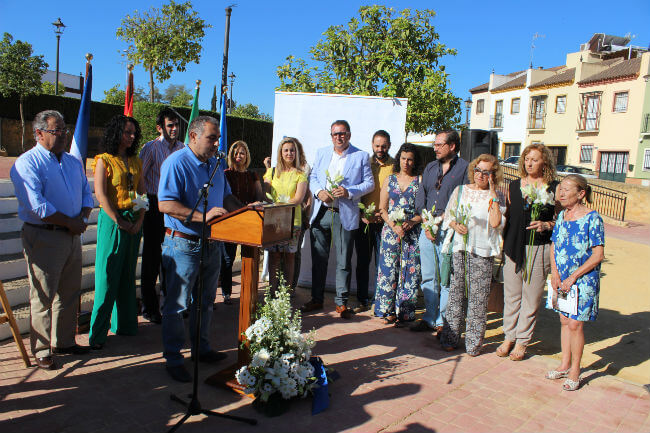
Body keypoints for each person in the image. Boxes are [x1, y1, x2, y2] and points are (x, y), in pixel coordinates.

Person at [158, 116, 241, 382]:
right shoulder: (176, 163)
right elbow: (165, 204)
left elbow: (226, 196)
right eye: (212, 138)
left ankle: (201, 349)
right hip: (183, 244)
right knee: (178, 304)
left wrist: (246, 209)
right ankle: (173, 358)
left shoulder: (216, 164)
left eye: (217, 138)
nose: (218, 143)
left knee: (205, 302)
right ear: (193, 137)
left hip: (212, 244)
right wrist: (201, 217)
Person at [10, 110, 93, 369]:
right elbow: (37, 206)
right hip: (45, 236)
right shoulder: (27, 163)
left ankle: (64, 340)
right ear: (39, 133)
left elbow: (85, 194)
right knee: (43, 294)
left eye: (64, 130)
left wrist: (82, 216)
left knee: (69, 292)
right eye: (58, 131)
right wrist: (71, 222)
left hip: (71, 235)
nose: (63, 135)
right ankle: (42, 349)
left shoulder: (71, 162)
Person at [301, 120, 374, 319]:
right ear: (331, 136)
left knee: (344, 261)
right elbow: (313, 176)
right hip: (322, 212)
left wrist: (349, 192)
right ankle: (316, 298)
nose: (338, 137)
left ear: (349, 135)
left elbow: (370, 184)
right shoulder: (322, 152)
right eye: (335, 134)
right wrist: (318, 192)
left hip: (345, 214)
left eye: (342, 133)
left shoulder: (361, 156)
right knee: (319, 259)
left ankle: (341, 303)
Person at [497, 143, 559, 361]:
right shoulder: (514, 186)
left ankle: (523, 341)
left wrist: (547, 225)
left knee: (531, 298)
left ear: (545, 162)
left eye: (534, 159)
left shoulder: (554, 188)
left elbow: (559, 220)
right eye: (526, 159)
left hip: (538, 247)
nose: (529, 163)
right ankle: (509, 336)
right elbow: (509, 218)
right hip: (514, 245)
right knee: (511, 295)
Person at [439, 154, 505, 356]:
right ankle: (450, 338)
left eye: (487, 172)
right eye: (478, 170)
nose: (481, 175)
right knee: (456, 297)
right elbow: (448, 217)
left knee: (478, 300)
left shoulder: (496, 197)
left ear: (494, 175)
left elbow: (496, 223)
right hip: (460, 249)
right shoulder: (460, 191)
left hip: (482, 253)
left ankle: (473, 344)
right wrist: (455, 225)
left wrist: (492, 191)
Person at [89, 115, 145, 350]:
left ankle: (124, 325)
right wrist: (119, 221)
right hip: (113, 221)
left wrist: (140, 219)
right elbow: (101, 195)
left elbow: (142, 194)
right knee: (107, 275)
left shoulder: (136, 161)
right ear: (116, 133)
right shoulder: (104, 160)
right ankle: (98, 334)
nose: (131, 137)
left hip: (134, 221)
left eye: (134, 133)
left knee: (126, 275)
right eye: (127, 132)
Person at [546, 174, 604, 391]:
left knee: (575, 324)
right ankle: (564, 364)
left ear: (581, 194)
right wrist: (555, 273)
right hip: (562, 280)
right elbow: (554, 245)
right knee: (563, 321)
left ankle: (575, 371)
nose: (560, 192)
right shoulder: (561, 217)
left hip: (583, 279)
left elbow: (597, 254)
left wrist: (573, 277)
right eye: (560, 188)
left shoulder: (592, 218)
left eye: (566, 189)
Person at [412, 130, 469, 335]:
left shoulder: (464, 168)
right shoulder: (430, 167)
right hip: (427, 229)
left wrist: (446, 218)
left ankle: (443, 321)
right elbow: (422, 195)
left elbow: (465, 198)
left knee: (446, 278)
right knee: (428, 276)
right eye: (434, 144)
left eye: (439, 144)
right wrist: (426, 221)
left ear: (452, 146)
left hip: (448, 231)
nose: (434, 148)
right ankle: (429, 317)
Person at [138, 107, 184, 323]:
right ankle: (149, 308)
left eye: (177, 125)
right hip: (154, 205)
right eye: (170, 125)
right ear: (160, 128)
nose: (174, 129)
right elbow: (140, 180)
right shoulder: (151, 148)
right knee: (152, 258)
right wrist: (145, 206)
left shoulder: (183, 149)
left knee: (172, 257)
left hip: (176, 208)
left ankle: (172, 305)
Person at [374, 143, 421, 325]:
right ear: (398, 159)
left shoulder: (419, 181)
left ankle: (405, 313)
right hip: (391, 231)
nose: (406, 163)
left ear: (414, 161)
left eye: (410, 159)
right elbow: (382, 209)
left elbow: (422, 211)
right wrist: (394, 226)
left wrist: (411, 222)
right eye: (403, 158)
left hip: (411, 232)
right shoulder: (390, 179)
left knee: (409, 272)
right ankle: (387, 311)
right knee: (388, 270)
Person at [354, 130, 394, 313]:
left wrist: (386, 214)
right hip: (365, 221)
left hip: (386, 223)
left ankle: (380, 300)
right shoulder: (364, 164)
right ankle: (362, 299)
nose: (380, 149)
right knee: (362, 262)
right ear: (372, 145)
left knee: (382, 264)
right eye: (377, 145)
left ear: (389, 146)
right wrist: (361, 213)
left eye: (384, 145)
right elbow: (357, 190)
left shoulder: (395, 166)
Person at [219, 140, 263, 304]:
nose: (239, 156)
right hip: (231, 220)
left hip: (250, 219)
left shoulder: (253, 175)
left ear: (247, 156)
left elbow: (259, 195)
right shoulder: (226, 173)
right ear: (231, 155)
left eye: (242, 153)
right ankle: (226, 293)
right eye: (236, 153)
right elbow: (224, 196)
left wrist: (255, 205)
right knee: (228, 259)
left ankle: (248, 292)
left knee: (249, 257)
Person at [263, 137, 309, 293]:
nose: (289, 153)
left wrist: (280, 205)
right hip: (273, 221)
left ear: (296, 153)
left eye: (292, 150)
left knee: (289, 257)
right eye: (286, 150)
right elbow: (265, 193)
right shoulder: (272, 172)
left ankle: (286, 293)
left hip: (292, 221)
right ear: (280, 153)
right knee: (274, 256)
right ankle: (272, 291)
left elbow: (298, 198)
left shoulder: (300, 174)